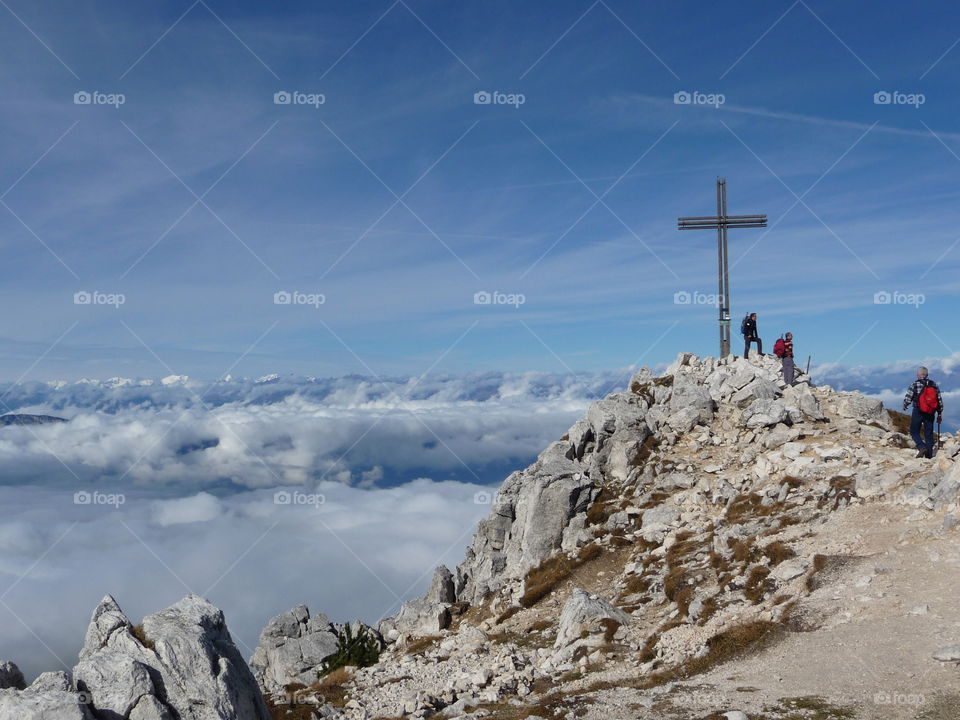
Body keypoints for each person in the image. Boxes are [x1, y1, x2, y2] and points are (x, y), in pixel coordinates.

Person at [902, 366, 943, 459]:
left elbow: (909, 397)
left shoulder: (914, 384)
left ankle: (921, 446)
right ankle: (929, 457)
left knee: (914, 431)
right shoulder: (934, 385)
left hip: (918, 411)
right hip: (930, 412)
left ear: (918, 374)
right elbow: (939, 400)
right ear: (927, 375)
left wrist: (905, 405)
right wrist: (939, 414)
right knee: (928, 434)